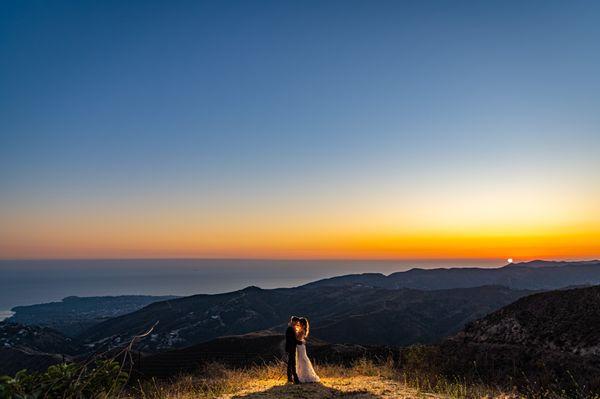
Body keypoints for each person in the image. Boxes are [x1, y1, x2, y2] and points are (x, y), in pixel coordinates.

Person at [295, 317, 320, 383]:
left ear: (302, 323)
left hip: (300, 346)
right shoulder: (303, 330)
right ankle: (302, 374)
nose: (298, 324)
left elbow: (297, 339)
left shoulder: (301, 331)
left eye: (299, 323)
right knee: (302, 360)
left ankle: (304, 376)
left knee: (302, 360)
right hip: (301, 346)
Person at [285, 316, 302, 383]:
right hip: (291, 348)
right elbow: (292, 340)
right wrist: (299, 342)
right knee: (293, 363)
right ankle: (295, 379)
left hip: (290, 348)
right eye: (296, 322)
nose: (297, 323)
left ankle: (290, 378)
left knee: (290, 363)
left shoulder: (291, 328)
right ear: (293, 321)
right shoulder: (290, 329)